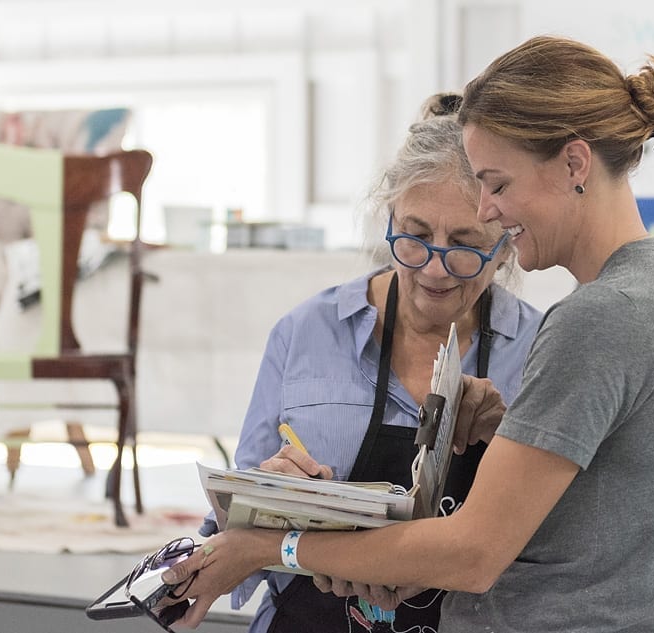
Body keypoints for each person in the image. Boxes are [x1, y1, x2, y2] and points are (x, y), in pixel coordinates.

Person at [163, 35, 654, 633]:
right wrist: (510, 428)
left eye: (497, 185)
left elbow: (472, 554)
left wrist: (277, 548)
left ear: (575, 164)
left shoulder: (599, 317)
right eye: (417, 234)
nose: (487, 211)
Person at [199, 92, 542, 633]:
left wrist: (506, 434)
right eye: (415, 235)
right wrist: (264, 494)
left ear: (505, 247)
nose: (433, 267)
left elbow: (557, 546)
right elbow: (224, 529)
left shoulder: (541, 351)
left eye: (464, 243)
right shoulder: (307, 332)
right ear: (389, 220)